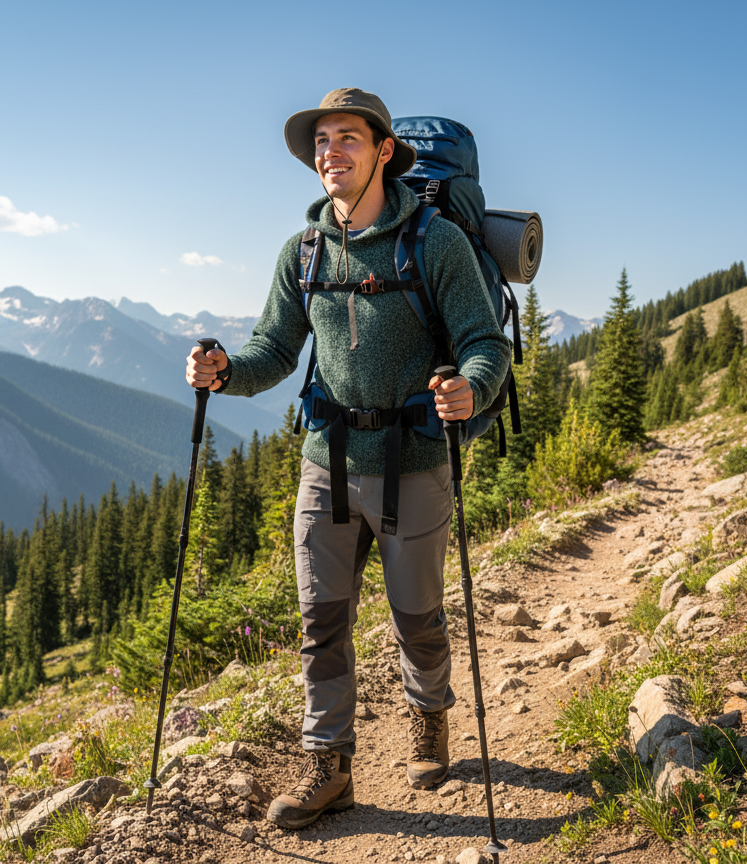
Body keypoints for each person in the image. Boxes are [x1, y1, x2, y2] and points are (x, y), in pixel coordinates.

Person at [185, 87, 510, 829]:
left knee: (415, 617)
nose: (331, 152)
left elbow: (483, 342)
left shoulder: (435, 241)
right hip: (325, 462)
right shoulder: (302, 251)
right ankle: (328, 763)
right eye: (321, 141)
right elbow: (274, 349)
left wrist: (471, 387)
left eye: (348, 139)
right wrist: (227, 371)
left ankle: (430, 715)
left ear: (384, 151)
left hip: (415, 461)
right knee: (319, 620)